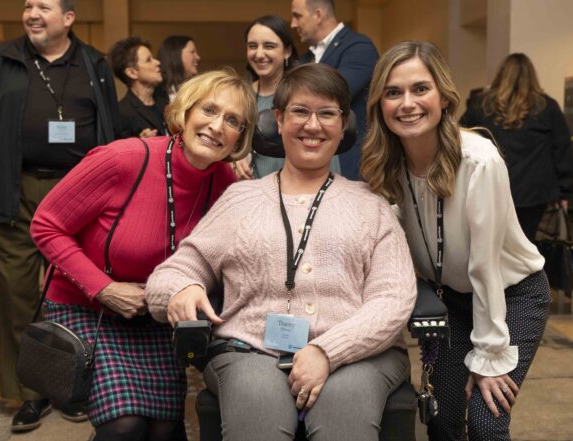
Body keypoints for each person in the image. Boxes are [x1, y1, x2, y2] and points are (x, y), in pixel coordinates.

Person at [145, 63, 416, 441]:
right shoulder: (240, 198)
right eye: (300, 112)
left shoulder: (371, 205)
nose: (312, 125)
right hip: (250, 350)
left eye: (327, 113)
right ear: (278, 119)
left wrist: (327, 351)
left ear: (343, 125)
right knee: (258, 410)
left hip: (358, 353)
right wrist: (182, 288)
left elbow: (394, 298)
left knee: (344, 410)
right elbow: (170, 275)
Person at [30, 69, 256, 441]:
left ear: (240, 138)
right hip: (87, 306)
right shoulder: (122, 159)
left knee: (165, 430)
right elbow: (46, 225)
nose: (217, 126)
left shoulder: (224, 185)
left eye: (232, 121)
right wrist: (103, 289)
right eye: (209, 110)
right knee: (125, 425)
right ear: (184, 112)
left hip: (153, 316)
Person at [360, 41, 551, 441]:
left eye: (420, 89)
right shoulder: (388, 162)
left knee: (485, 422)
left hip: (511, 295)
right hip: (450, 300)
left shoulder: (479, 160)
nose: (407, 103)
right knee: (442, 420)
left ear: (444, 97)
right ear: (379, 103)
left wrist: (490, 354)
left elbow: (483, 267)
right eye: (393, 92)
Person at [0, 0, 120, 432]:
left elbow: (111, 132)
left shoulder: (94, 62)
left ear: (67, 18)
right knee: (18, 295)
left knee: (78, 293)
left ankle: (76, 384)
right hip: (14, 190)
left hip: (79, 192)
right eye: (27, 5)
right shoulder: (1, 61)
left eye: (42, 6)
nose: (31, 12)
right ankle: (31, 391)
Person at [460, 53, 573, 241]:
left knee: (491, 243)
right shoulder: (547, 107)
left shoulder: (481, 104)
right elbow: (561, 150)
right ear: (532, 77)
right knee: (525, 244)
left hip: (491, 188)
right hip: (534, 193)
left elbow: (461, 137)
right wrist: (565, 192)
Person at [290, 0, 378, 180]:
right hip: (310, 165)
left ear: (318, 15)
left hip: (351, 165)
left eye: (297, 16)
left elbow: (333, 94)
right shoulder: (304, 59)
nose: (293, 24)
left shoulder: (359, 47)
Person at [232, 15, 298, 179]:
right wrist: (232, 157)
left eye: (269, 46)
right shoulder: (240, 96)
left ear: (287, 51)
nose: (259, 54)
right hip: (247, 190)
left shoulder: (301, 97)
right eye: (252, 46)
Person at [109, 36, 169, 138]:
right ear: (132, 73)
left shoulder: (165, 102)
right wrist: (140, 143)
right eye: (148, 60)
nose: (157, 62)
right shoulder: (122, 113)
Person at [157, 35, 201, 103]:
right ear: (176, 55)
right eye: (192, 52)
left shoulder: (198, 89)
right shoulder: (156, 91)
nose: (198, 57)